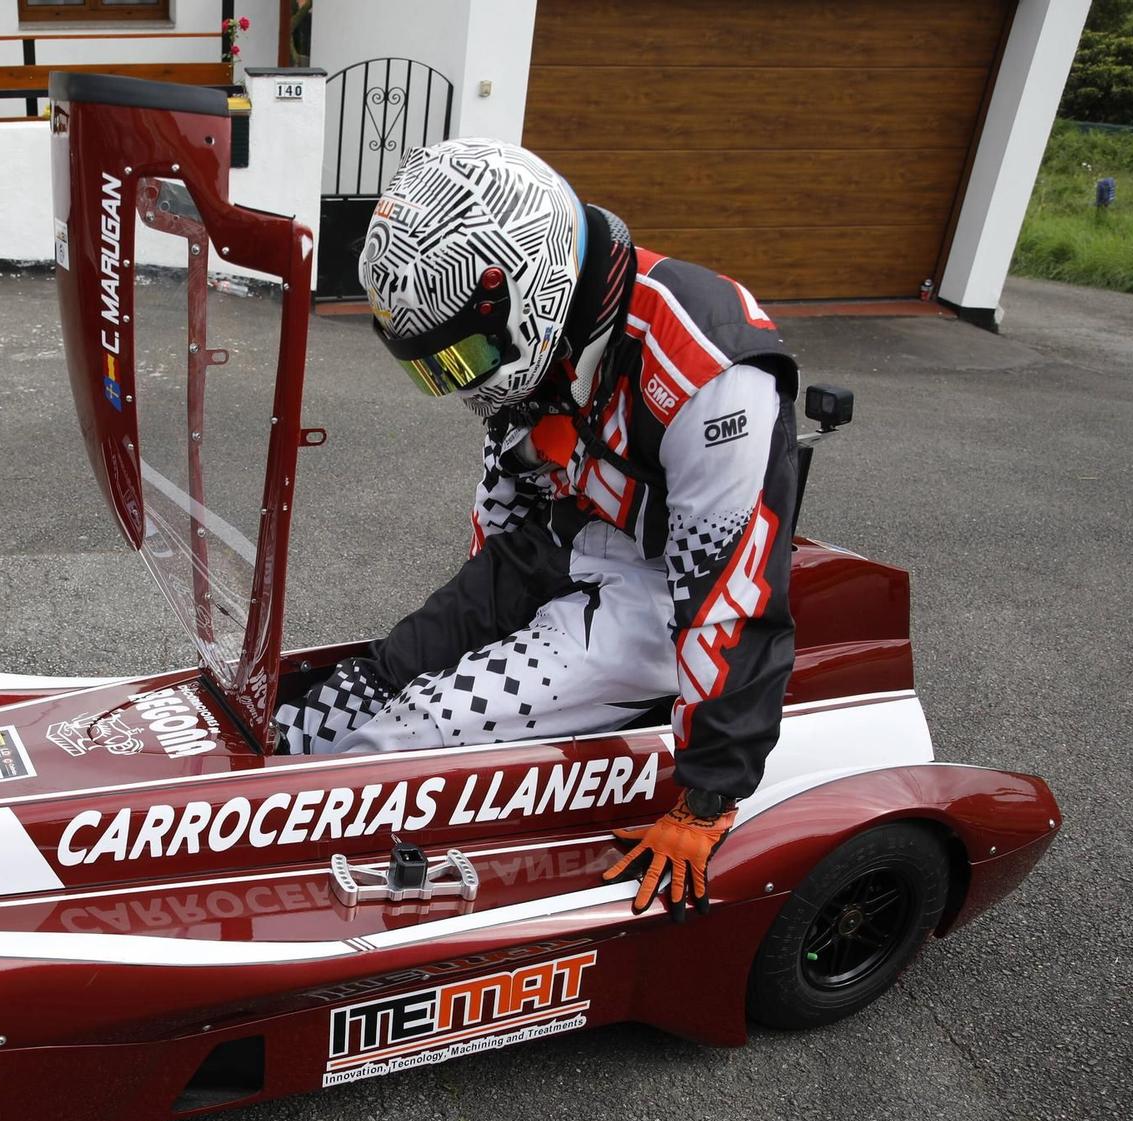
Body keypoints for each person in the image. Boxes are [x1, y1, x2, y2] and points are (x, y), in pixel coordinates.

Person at [274, 139, 799, 918]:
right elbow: (504, 505)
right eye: (436, 367)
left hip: (659, 591)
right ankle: (260, 774)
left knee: (418, 725)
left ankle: (291, 882)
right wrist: (447, 639)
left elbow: (729, 593)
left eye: (460, 357)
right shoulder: (543, 340)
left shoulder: (707, 371)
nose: (457, 380)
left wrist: (706, 798)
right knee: (369, 678)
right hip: (571, 535)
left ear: (522, 288)